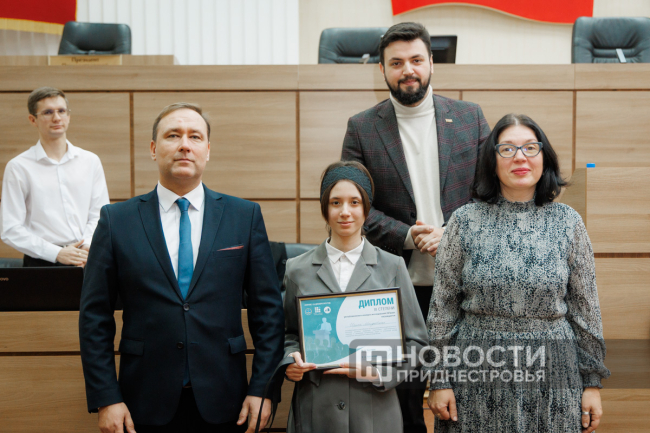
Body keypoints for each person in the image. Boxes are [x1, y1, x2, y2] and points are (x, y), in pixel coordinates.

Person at [79, 102, 284, 433]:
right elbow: (94, 318)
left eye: (195, 136)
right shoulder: (116, 221)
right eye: (173, 135)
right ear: (153, 148)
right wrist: (106, 398)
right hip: (141, 402)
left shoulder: (244, 217)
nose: (185, 145)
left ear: (208, 150)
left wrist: (263, 389)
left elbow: (269, 314)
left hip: (228, 400)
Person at [341, 22, 490, 432]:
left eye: (416, 60)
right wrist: (408, 236)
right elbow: (355, 205)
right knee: (402, 402)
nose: (408, 70)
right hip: (396, 288)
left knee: (464, 394)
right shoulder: (362, 127)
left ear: (431, 63)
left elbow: (489, 196)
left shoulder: (470, 118)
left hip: (465, 286)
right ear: (382, 70)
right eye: (396, 63)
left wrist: (452, 233)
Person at [427, 113, 610, 433]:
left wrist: (592, 382)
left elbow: (585, 310)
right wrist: (439, 379)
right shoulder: (463, 221)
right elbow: (443, 308)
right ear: (492, 161)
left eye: (530, 147)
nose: (520, 157)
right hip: (477, 370)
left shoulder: (568, 222)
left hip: (554, 374)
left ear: (544, 157)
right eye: (507, 149)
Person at [283, 160, 428, 433]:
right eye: (335, 202)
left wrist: (380, 373)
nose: (345, 212)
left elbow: (418, 342)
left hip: (375, 409)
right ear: (325, 208)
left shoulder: (394, 267)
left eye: (354, 202)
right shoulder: (296, 269)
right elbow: (289, 334)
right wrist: (290, 361)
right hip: (316, 408)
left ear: (366, 209)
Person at [0, 86, 109, 267]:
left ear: (68, 116)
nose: (57, 118)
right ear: (33, 120)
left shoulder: (90, 161)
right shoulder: (18, 167)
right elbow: (10, 229)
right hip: (42, 262)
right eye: (48, 112)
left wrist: (86, 246)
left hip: (86, 256)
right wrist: (57, 253)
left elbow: (100, 213)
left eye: (61, 111)